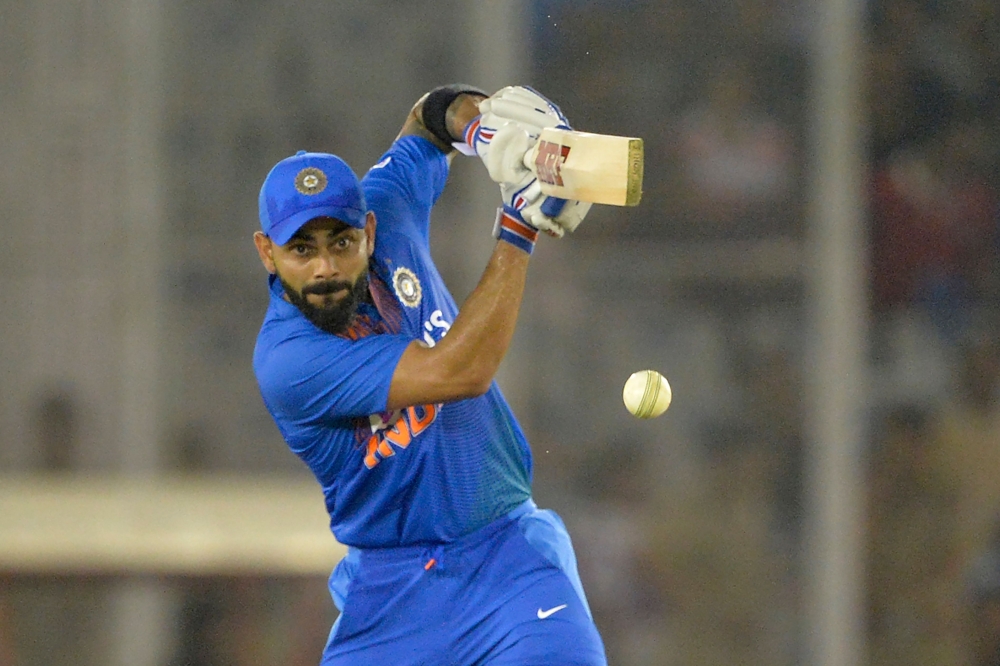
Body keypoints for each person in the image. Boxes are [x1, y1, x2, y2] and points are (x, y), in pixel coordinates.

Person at [251, 84, 606, 665]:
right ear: (267, 252)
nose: (325, 267)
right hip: (390, 599)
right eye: (301, 249)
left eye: (340, 242)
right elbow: (462, 370)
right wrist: (519, 224)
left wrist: (484, 132)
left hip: (507, 559)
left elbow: (430, 115)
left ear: (367, 230)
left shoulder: (386, 209)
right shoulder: (288, 360)